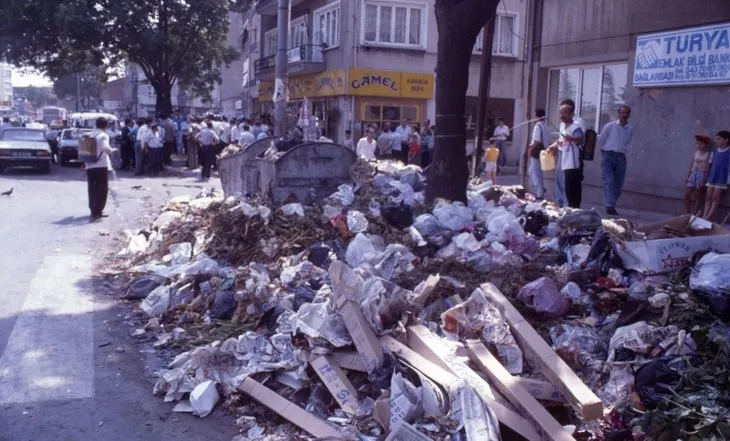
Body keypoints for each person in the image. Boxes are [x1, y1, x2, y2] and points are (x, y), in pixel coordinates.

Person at [598, 106, 633, 215]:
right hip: (609, 156)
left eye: (627, 113)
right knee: (609, 181)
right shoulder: (610, 126)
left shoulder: (630, 128)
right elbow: (601, 140)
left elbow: (626, 142)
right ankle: (609, 206)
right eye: (622, 112)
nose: (624, 115)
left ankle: (611, 203)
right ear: (618, 113)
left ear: (629, 114)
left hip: (621, 157)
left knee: (618, 184)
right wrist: (605, 152)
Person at [549, 102, 584, 208]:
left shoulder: (575, 127)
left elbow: (580, 139)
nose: (562, 116)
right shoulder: (563, 127)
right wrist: (556, 145)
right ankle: (569, 207)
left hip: (573, 162)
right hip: (565, 161)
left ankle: (574, 207)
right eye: (560, 114)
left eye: (565, 113)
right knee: (566, 185)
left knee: (573, 187)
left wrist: (572, 139)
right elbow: (563, 141)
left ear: (571, 114)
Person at [86, 118, 118, 222]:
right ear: (106, 126)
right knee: (101, 189)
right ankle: (98, 211)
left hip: (90, 165)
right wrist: (113, 150)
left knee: (92, 188)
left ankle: (93, 210)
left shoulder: (91, 135)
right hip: (100, 165)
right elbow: (106, 148)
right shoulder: (103, 135)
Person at [703, 130, 730, 220]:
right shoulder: (714, 151)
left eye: (719, 139)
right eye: (716, 139)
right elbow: (709, 165)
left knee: (715, 197)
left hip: (721, 178)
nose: (717, 141)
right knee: (708, 197)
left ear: (726, 140)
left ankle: (709, 216)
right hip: (712, 177)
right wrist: (706, 177)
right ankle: (704, 215)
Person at [684, 135, 712, 215]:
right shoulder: (696, 153)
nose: (699, 145)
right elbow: (692, 164)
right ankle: (686, 213)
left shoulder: (707, 154)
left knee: (697, 196)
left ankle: (694, 214)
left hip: (701, 174)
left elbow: (707, 168)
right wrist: (688, 175)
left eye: (701, 144)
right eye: (698, 143)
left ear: (705, 145)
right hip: (693, 173)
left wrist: (704, 179)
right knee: (687, 194)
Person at [526, 109, 547, 200]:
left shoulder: (537, 126)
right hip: (544, 151)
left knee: (535, 172)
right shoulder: (546, 126)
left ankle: (540, 193)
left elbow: (537, 140)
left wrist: (530, 149)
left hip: (537, 151)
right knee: (533, 171)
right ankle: (541, 189)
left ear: (536, 116)